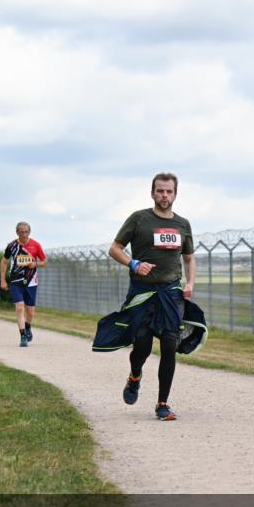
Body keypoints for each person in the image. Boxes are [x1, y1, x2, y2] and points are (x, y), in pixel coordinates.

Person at [106, 172, 196, 421]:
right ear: (152, 192)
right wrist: (133, 263)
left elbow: (188, 258)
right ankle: (135, 376)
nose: (164, 195)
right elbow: (115, 248)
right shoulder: (139, 219)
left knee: (169, 345)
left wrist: (190, 282)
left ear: (175, 194)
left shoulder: (183, 224)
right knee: (142, 346)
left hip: (170, 292)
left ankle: (162, 404)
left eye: (169, 191)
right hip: (143, 293)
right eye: (160, 191)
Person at [0, 222, 47, 347]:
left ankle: (28, 327)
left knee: (30, 310)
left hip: (31, 281)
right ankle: (23, 336)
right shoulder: (12, 246)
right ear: (17, 232)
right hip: (16, 281)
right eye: (21, 232)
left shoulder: (36, 245)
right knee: (19, 307)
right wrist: (3, 280)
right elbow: (4, 262)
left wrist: (35, 264)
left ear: (29, 232)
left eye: (26, 231)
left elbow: (44, 262)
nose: (24, 234)